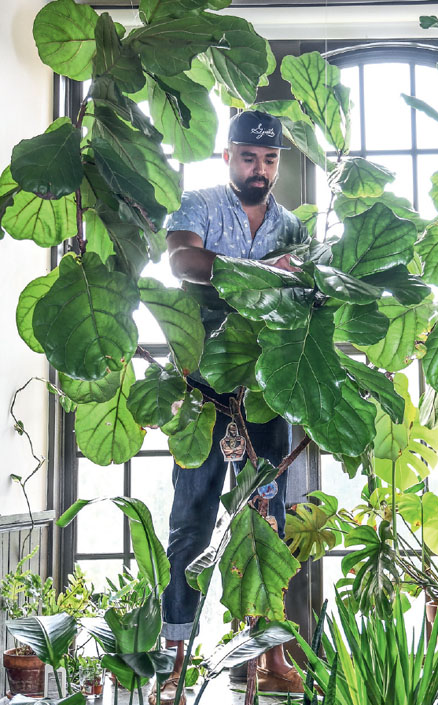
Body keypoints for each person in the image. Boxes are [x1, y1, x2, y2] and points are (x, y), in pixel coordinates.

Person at [152, 110, 308, 703]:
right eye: (249, 158)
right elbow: (184, 263)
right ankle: (175, 658)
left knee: (267, 519)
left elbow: (304, 295)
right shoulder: (198, 203)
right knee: (191, 520)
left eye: (270, 161)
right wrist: (260, 273)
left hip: (267, 392)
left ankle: (267, 655)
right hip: (202, 388)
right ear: (228, 157)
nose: (261, 170)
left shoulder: (292, 227)